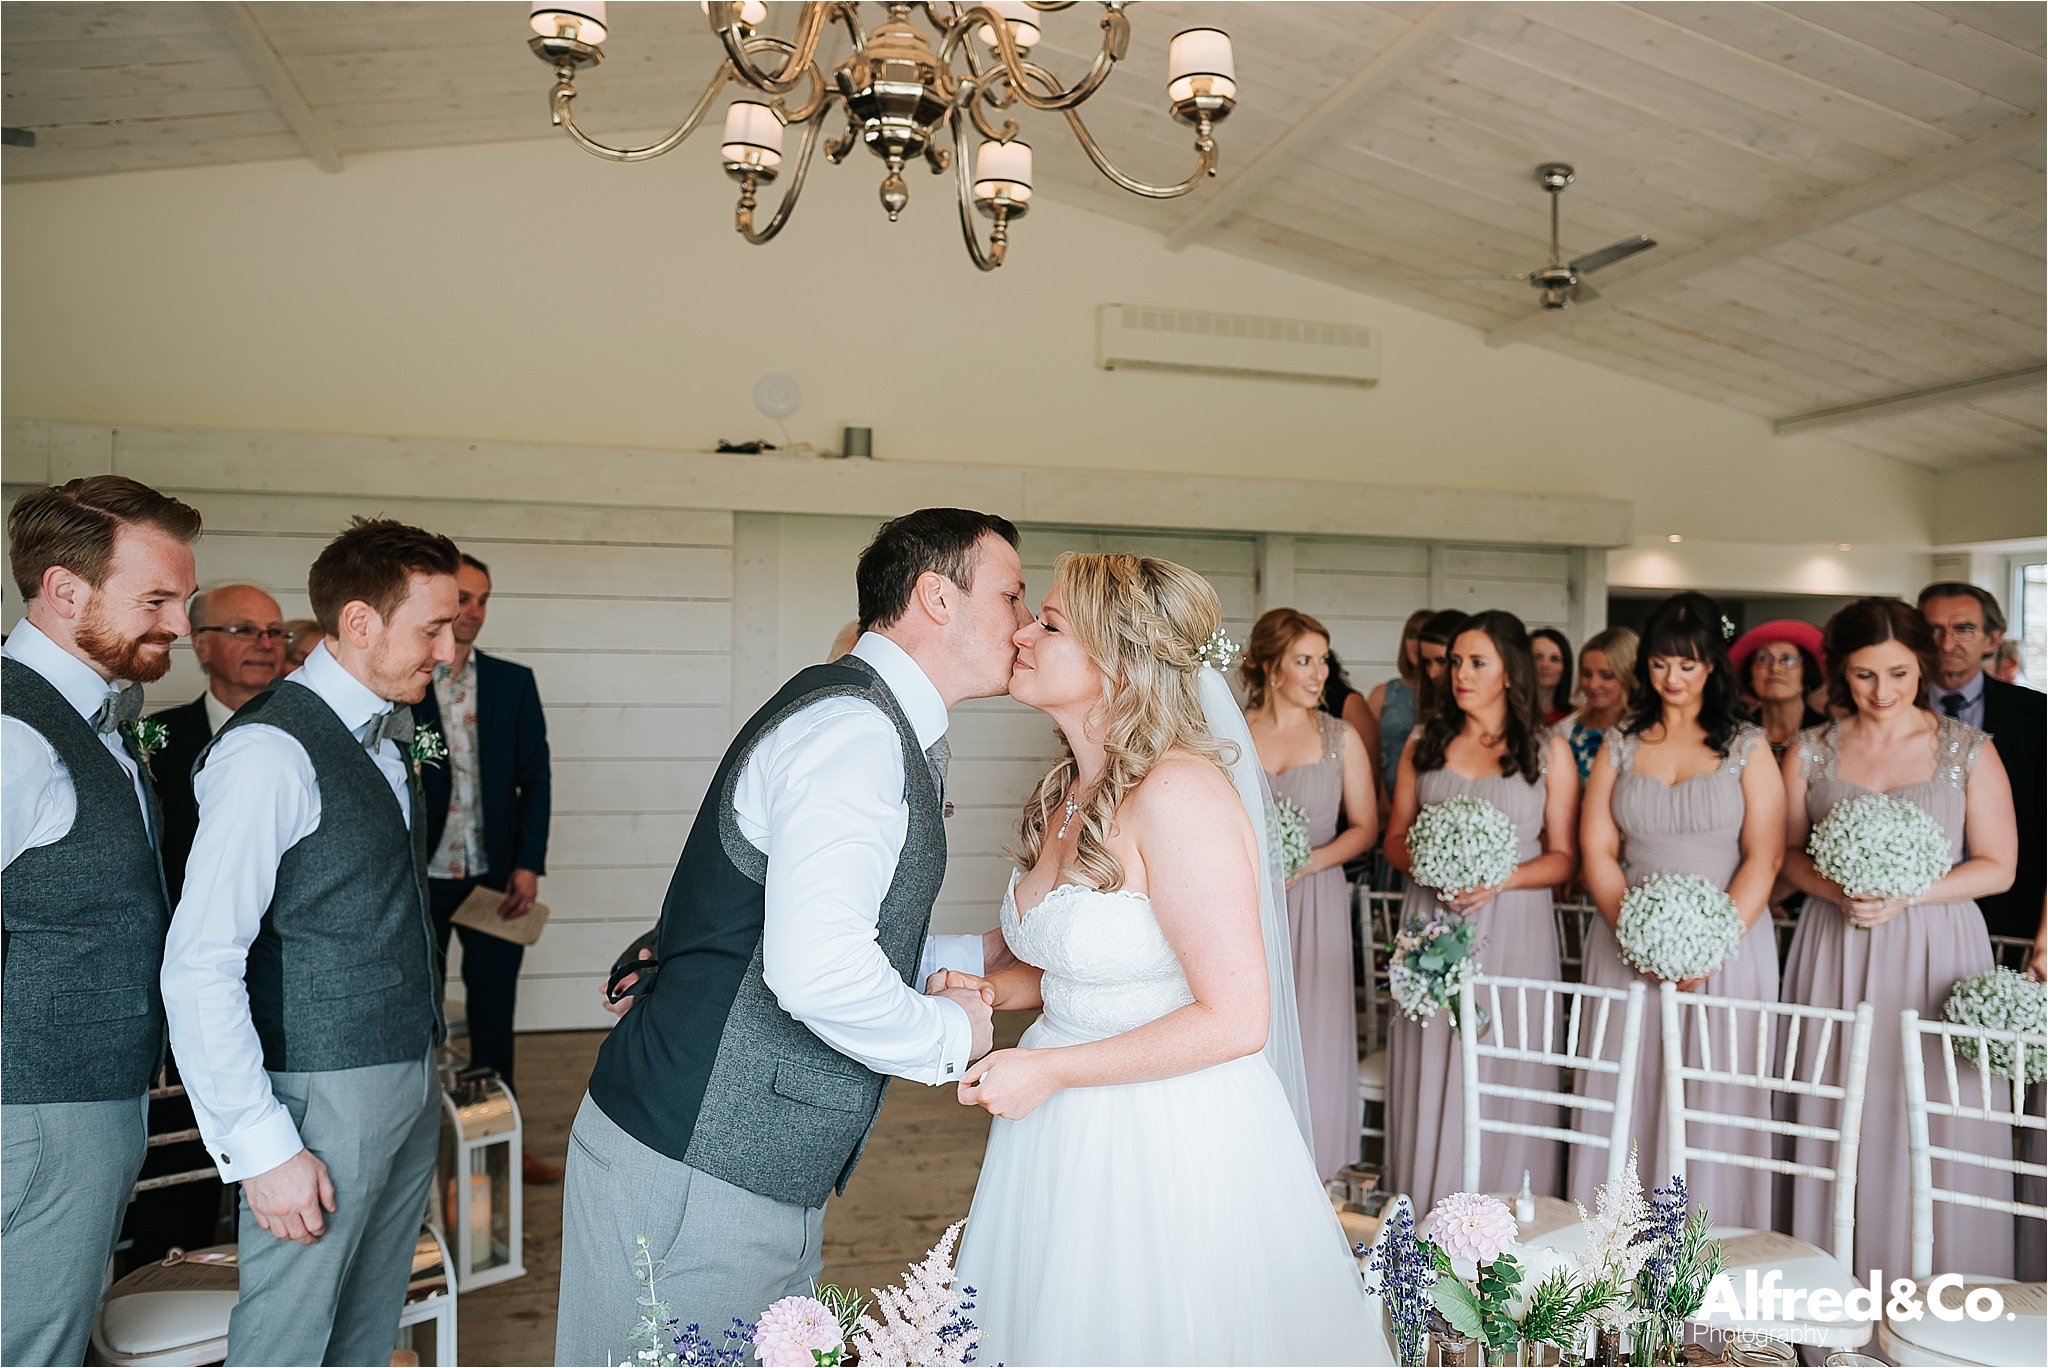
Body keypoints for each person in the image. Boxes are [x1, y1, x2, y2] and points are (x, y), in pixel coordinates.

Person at [554, 509, 1021, 1363]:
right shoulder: (857, 732)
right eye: (1011, 593)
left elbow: (814, 926)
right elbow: (817, 970)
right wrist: (952, 1034)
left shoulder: (869, 718)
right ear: (937, 599)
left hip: (741, 1161)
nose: (1024, 621)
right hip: (697, 1165)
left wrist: (969, 961)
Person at [946, 554, 1381, 1365]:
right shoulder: (1069, 788)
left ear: (1115, 657)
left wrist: (1051, 1071)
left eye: (1049, 622)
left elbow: (1238, 1018)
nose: (1022, 633)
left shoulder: (1180, 796)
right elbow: (1105, 959)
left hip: (1166, 1134)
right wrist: (993, 989)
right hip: (1059, 1127)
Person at [162, 518, 460, 1366]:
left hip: (406, 1070)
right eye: (431, 629)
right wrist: (262, 1146)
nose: (446, 651)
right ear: (360, 622)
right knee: (289, 1336)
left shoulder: (388, 736)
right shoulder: (265, 753)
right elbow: (201, 963)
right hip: (317, 1092)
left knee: (368, 1328)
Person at [2, 476, 201, 1367]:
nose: (182, 627)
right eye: (156, 599)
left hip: (84, 1095)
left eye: (185, 601)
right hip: (39, 1105)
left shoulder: (95, 720)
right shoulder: (17, 735)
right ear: (65, 590)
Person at [1779, 597, 2018, 1283]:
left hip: (1936, 950)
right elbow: (1791, 854)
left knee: (1934, 1112)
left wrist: (1908, 891)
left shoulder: (1966, 750)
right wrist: (1837, 890)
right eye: (1863, 676)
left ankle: (1945, 1297)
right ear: (1839, 674)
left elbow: (1998, 865)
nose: (1882, 693)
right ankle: (1826, 1292)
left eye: (1898, 674)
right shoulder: (1812, 750)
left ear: (1922, 667)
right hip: (1837, 943)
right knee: (1839, 1105)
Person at [1566, 595, 1783, 1228]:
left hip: (1728, 949)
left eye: (1687, 665)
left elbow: (1764, 857)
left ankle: (1711, 1264)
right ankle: (1606, 1281)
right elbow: (1597, 848)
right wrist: (1635, 936)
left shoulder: (1746, 745)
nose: (1673, 678)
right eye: (1661, 663)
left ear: (1712, 667)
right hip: (1624, 942)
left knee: (1714, 1094)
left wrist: (1705, 948)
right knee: (1623, 1093)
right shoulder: (1621, 743)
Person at [1384, 611, 1579, 1210]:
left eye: (1475, 663)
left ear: (1509, 674)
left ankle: (1504, 1224)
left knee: (1503, 1064)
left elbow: (1564, 857)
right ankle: (1423, 1219)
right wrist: (1432, 866)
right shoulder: (1425, 741)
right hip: (1431, 920)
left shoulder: (1548, 752)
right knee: (1433, 1054)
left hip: (1512, 927)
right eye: (1453, 663)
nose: (1457, 674)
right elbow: (1394, 838)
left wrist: (1501, 879)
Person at [412, 553, 555, 1184]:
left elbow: (536, 778)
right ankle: (425, 1148)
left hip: (494, 880)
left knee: (496, 1014)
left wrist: (528, 865)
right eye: (463, 598)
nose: (472, 612)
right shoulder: (409, 677)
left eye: (482, 600)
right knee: (420, 1012)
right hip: (420, 879)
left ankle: (502, 1146)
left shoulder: (511, 682)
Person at [1242, 608, 1377, 1180]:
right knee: (1250, 1024)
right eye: (1304, 660)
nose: (1319, 672)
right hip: (1244, 903)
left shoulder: (1339, 739)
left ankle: (1312, 1167)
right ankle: (1248, 1155)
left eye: (1323, 660)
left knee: (1314, 1030)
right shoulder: (1233, 733)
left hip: (1315, 900)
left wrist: (1303, 863)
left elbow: (1366, 827)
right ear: (1270, 667)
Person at [1917, 582, 2045, 942]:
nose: (1946, 643)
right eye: (1933, 630)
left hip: (2013, 909)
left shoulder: (2038, 716)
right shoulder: (1890, 710)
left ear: (1991, 640)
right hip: (1909, 909)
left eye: (1964, 629)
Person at [154, 583, 287, 902]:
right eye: (245, 630)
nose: (266, 643)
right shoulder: (155, 738)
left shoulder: (314, 734)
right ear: (201, 644)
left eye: (276, 631)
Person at [1729, 619, 1827, 761]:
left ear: (1807, 673)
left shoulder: (1828, 735)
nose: (1775, 668)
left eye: (1787, 659)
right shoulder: (1733, 734)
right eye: (1763, 659)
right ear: (1749, 675)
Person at [1549, 626, 1638, 783]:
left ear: (1629, 678)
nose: (1593, 684)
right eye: (1587, 674)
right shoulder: (1565, 730)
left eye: (1607, 676)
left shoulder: (1647, 732)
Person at [1366, 608, 1434, 806]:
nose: (1418, 643)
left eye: (1425, 636)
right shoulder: (1383, 693)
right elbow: (1366, 756)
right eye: (1413, 635)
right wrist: (1381, 802)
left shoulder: (1454, 697)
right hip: (1385, 801)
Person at [1531, 626, 1574, 725]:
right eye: (1537, 657)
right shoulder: (1507, 713)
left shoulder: (1576, 717)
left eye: (1555, 659)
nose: (1545, 665)